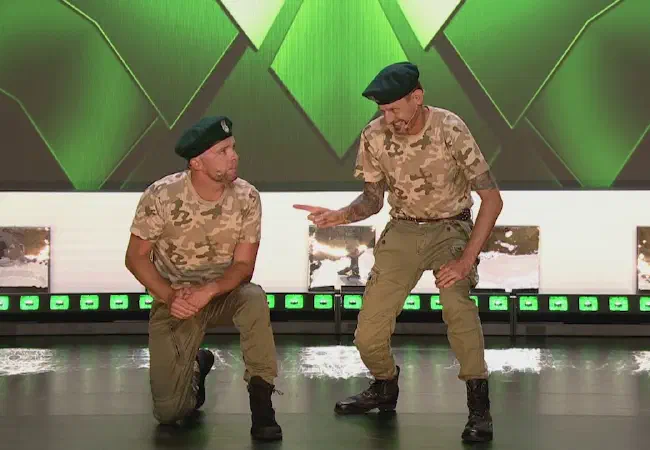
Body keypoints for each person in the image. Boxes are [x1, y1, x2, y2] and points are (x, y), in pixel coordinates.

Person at [294, 62, 503, 443]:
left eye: (394, 109)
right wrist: (340, 215)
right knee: (367, 333)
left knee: (456, 304)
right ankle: (384, 385)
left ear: (417, 98)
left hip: (451, 229)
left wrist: (465, 260)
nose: (388, 119)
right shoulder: (374, 135)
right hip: (403, 230)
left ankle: (479, 405)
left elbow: (492, 199)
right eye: (382, 111)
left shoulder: (450, 128)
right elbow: (373, 200)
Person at [125, 116, 282, 441]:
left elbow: (244, 266)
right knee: (169, 414)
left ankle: (262, 402)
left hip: (223, 294)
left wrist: (209, 290)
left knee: (254, 297)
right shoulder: (162, 195)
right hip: (175, 302)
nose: (234, 156)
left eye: (233, 147)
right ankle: (198, 366)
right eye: (223, 151)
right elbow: (136, 257)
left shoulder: (247, 197)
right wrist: (170, 296)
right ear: (196, 162)